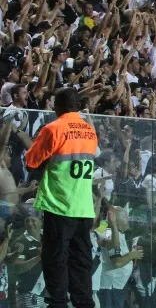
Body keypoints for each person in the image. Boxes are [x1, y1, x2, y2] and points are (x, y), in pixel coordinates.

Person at [24, 87, 97, 308]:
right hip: (84, 207)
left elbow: (31, 161)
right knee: (81, 263)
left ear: (58, 106)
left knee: (56, 261)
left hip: (59, 205)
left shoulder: (54, 128)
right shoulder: (89, 131)